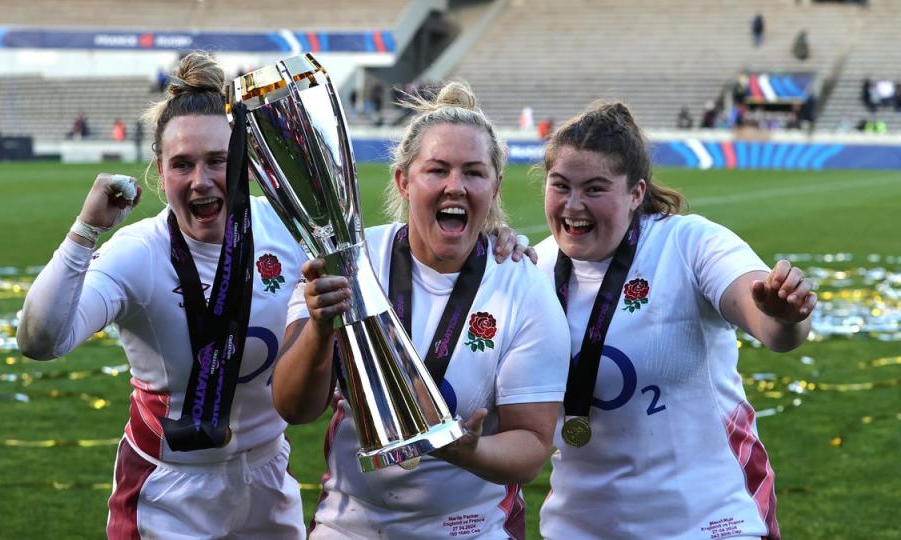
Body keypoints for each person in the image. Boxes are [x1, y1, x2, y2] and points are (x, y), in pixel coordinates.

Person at [16, 52, 309, 539]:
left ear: (244, 161)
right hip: (168, 490)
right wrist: (85, 231)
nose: (201, 180)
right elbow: (40, 340)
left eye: (218, 160)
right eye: (182, 164)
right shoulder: (138, 254)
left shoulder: (287, 229)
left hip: (268, 477)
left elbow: (370, 270)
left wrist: (482, 248)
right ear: (160, 170)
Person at [272, 82, 571, 539]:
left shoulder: (524, 287)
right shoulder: (350, 263)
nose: (456, 185)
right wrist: (317, 328)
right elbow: (294, 408)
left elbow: (531, 448)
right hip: (351, 526)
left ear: (495, 186)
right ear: (403, 181)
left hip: (469, 529)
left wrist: (459, 449)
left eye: (474, 172)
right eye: (437, 170)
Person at [535, 101, 817, 539]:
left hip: (709, 519)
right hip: (579, 525)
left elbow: (770, 324)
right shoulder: (534, 267)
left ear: (635, 193)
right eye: (560, 186)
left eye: (594, 188)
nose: (574, 205)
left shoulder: (689, 243)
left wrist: (783, 313)